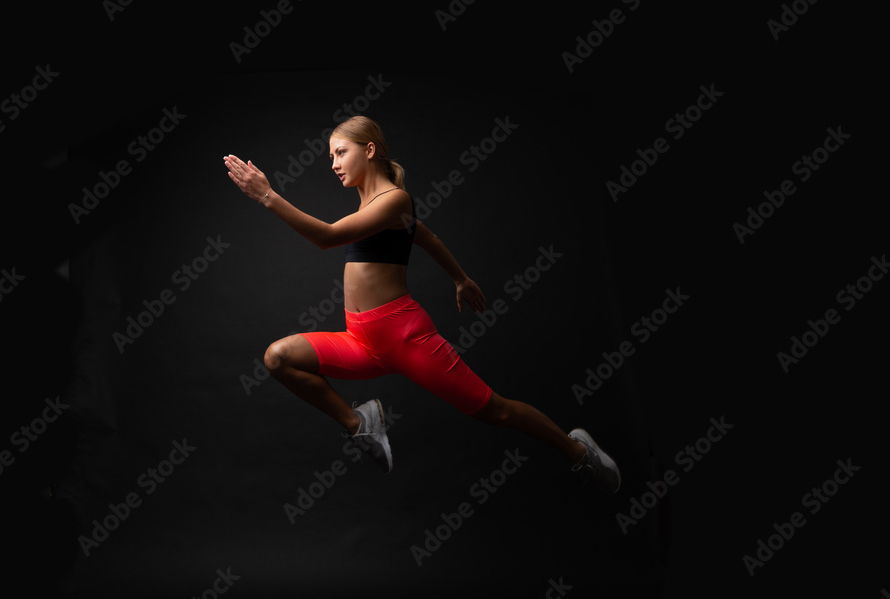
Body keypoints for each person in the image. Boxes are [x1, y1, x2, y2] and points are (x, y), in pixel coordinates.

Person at [223, 116, 620, 493]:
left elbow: (327, 237)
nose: (333, 163)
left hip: (405, 337)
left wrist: (268, 196)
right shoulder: (373, 208)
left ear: (370, 150)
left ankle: (579, 451)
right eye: (330, 156)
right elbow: (427, 237)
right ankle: (360, 422)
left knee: (494, 410)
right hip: (360, 339)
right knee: (278, 358)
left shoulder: (395, 200)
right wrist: (460, 278)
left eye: (340, 152)